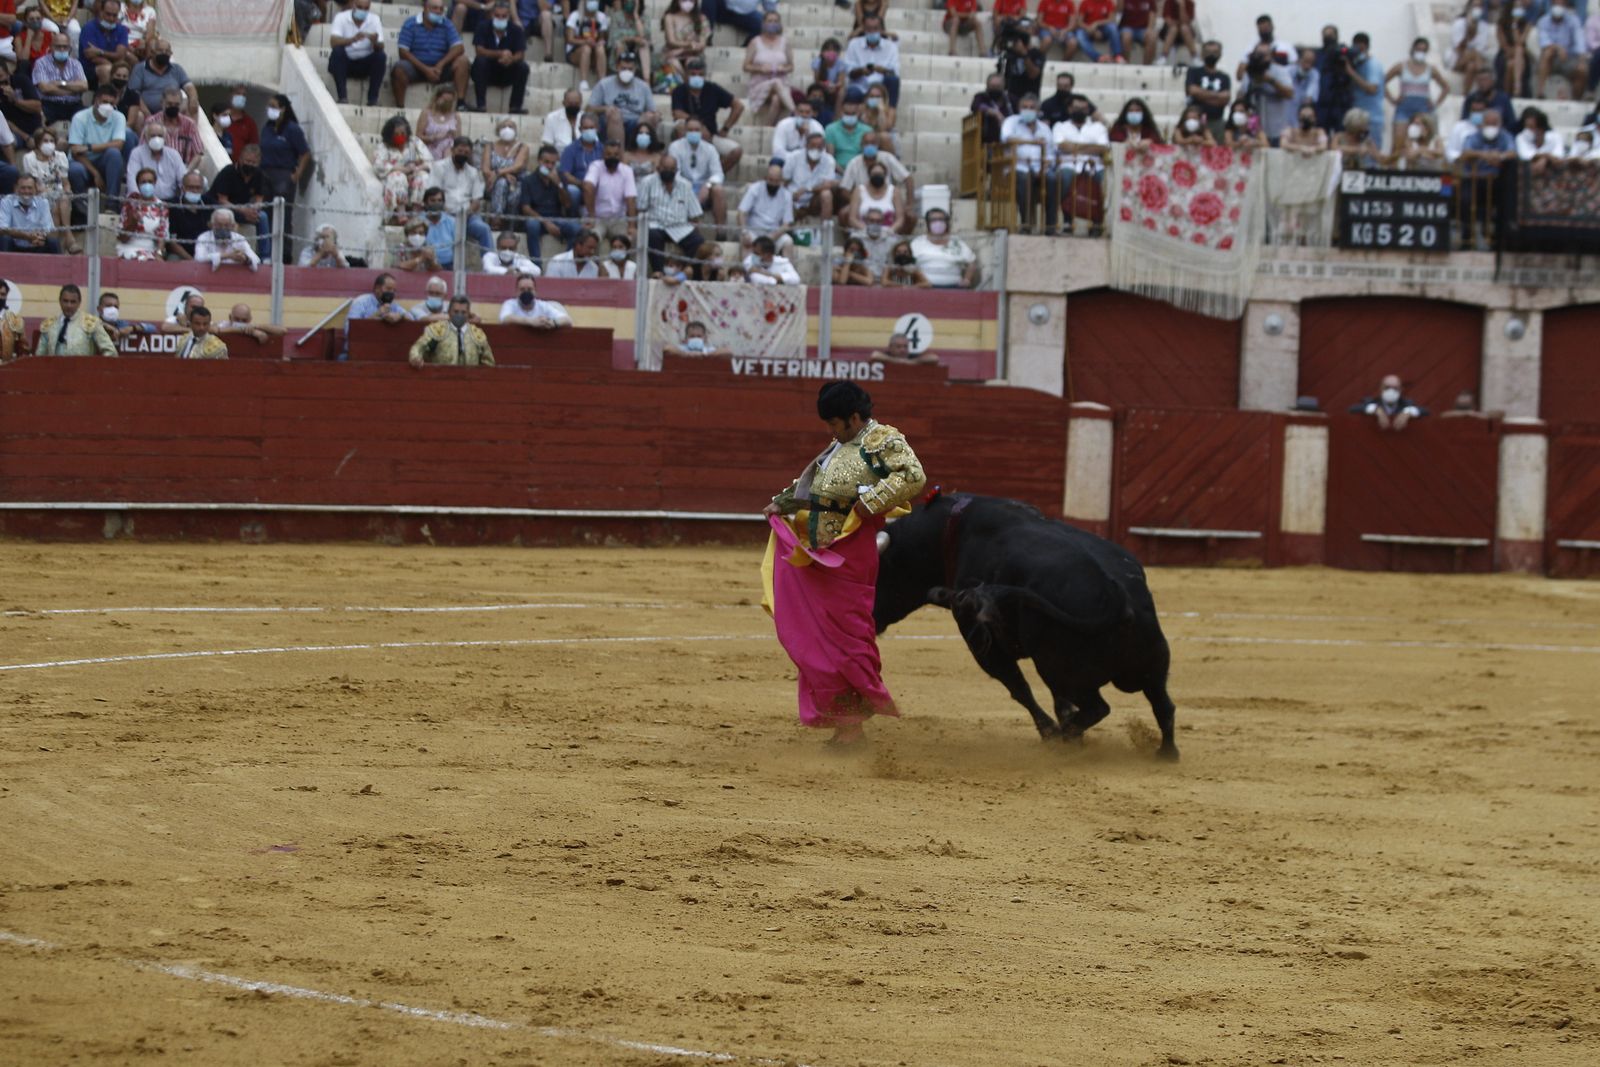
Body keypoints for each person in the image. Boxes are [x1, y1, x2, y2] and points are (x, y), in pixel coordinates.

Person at [761, 380, 926, 746]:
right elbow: (816, 490)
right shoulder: (840, 445)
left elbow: (913, 475)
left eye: (834, 423)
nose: (830, 430)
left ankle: (852, 724)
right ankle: (847, 725)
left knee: (847, 640)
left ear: (853, 417)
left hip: (851, 554)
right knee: (819, 639)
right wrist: (783, 503)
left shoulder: (881, 439)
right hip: (820, 553)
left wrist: (872, 502)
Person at [670, 56, 744, 174]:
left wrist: (725, 128)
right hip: (687, 134)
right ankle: (684, 173)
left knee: (736, 151)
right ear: (687, 75)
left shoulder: (712, 89)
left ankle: (714, 175)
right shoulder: (679, 90)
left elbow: (738, 106)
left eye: (700, 74)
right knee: (680, 126)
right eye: (693, 74)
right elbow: (677, 113)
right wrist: (699, 127)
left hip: (710, 135)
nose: (697, 77)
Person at [1000, 92, 1057, 235]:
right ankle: (1026, 223)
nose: (1028, 110)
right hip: (1017, 166)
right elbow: (1007, 138)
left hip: (1040, 167)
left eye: (1032, 108)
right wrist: (1032, 142)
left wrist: (1045, 166)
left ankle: (1050, 226)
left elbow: (1051, 153)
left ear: (1038, 111)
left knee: (1052, 179)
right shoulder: (1011, 122)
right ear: (1019, 108)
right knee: (1024, 178)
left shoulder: (1044, 128)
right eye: (1024, 107)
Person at [394, 0, 468, 109]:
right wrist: (426, 70)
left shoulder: (447, 24)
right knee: (400, 68)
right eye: (434, 8)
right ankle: (400, 108)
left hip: (440, 69)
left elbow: (459, 48)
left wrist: (440, 65)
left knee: (463, 61)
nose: (438, 11)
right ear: (425, 8)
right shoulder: (410, 23)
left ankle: (461, 104)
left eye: (441, 9)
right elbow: (403, 52)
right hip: (417, 67)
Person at [259, 95, 310, 253]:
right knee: (265, 213)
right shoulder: (267, 128)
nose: (270, 109)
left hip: (283, 174)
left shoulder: (292, 129)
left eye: (274, 106)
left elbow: (305, 153)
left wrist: (297, 174)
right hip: (265, 173)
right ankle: (266, 251)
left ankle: (284, 253)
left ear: (283, 108)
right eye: (269, 106)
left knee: (283, 216)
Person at [636, 156, 703, 274]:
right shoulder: (647, 182)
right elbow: (641, 208)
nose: (668, 172)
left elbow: (695, 213)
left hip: (679, 227)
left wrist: (697, 230)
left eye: (672, 169)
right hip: (656, 225)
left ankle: (685, 272)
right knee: (652, 236)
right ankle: (658, 272)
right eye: (665, 168)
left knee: (698, 241)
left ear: (676, 170)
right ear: (658, 168)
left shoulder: (685, 185)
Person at [520, 142, 580, 268]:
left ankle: (566, 265)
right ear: (539, 161)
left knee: (576, 228)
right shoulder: (528, 180)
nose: (549, 166)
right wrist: (546, 223)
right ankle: (536, 266)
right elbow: (526, 208)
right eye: (546, 162)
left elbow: (567, 204)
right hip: (538, 219)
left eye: (553, 163)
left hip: (556, 218)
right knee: (532, 225)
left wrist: (559, 185)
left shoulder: (560, 177)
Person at [211, 143, 273, 260]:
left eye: (253, 163)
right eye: (247, 161)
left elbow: (259, 199)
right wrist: (243, 211)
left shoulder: (259, 174)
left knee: (262, 216)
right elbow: (222, 200)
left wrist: (254, 210)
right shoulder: (228, 172)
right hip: (223, 209)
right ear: (240, 159)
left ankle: (265, 257)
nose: (250, 165)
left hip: (243, 210)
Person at [438, 134, 494, 255]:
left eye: (466, 152)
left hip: (468, 216)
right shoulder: (439, 167)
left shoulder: (474, 173)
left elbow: (476, 201)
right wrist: (449, 214)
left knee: (483, 229)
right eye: (460, 151)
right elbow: (433, 195)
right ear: (452, 150)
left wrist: (464, 215)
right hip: (444, 214)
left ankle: (490, 262)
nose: (463, 154)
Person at [472, 0, 530, 114]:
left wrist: (511, 59)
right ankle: (481, 105)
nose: (500, 18)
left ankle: (515, 107)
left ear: (509, 16)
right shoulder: (482, 27)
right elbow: (479, 51)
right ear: (492, 15)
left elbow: (520, 53)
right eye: (497, 15)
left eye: (504, 16)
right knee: (480, 62)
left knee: (523, 67)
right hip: (488, 71)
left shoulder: (516, 30)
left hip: (507, 70)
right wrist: (500, 53)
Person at [374, 115, 431, 225]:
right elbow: (378, 165)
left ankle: (415, 213)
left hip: (413, 175)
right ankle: (401, 213)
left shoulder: (414, 142)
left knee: (423, 177)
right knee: (398, 177)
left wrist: (416, 169)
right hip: (394, 178)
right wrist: (402, 169)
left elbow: (429, 160)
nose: (400, 136)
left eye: (403, 133)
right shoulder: (384, 146)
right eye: (396, 134)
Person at [22, 128, 73, 252]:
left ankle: (64, 240)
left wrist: (67, 191)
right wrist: (53, 194)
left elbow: (66, 184)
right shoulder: (29, 158)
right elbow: (36, 186)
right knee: (54, 208)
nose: (49, 144)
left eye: (51, 141)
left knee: (63, 198)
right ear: (38, 143)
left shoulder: (61, 156)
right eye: (45, 141)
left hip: (60, 196)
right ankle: (67, 241)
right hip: (40, 194)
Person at [1385, 37, 1449, 134]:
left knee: (1421, 138)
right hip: (1404, 107)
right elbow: (1382, 81)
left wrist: (1435, 104)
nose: (1420, 52)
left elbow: (1446, 87)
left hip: (1423, 108)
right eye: (1418, 49)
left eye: (1423, 50)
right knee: (1399, 138)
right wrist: (1392, 99)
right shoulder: (1401, 66)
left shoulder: (1431, 69)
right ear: (1413, 49)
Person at [329, 0, 388, 106]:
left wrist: (375, 42)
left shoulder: (374, 19)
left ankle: (372, 99)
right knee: (337, 52)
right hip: (345, 62)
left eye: (366, 8)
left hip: (364, 63)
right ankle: (342, 97)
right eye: (360, 7)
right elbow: (333, 42)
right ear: (353, 5)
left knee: (381, 56)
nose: (363, 11)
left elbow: (381, 46)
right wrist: (352, 39)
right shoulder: (341, 17)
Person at [410, 295, 495, 366]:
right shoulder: (437, 330)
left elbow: (489, 362)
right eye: (456, 312)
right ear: (449, 312)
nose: (459, 315)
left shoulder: (477, 334)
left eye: (463, 312)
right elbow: (417, 348)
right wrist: (415, 358)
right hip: (441, 378)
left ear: (468, 313)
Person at [37, 284, 117, 356]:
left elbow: (110, 351)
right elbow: (39, 355)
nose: (69, 305)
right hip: (54, 367)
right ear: (60, 301)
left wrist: (94, 367)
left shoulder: (91, 323)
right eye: (65, 301)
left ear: (79, 303)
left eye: (73, 302)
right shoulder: (50, 324)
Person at [582, 138, 638, 239]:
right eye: (608, 154)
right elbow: (587, 187)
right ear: (603, 155)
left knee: (625, 241)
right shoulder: (596, 166)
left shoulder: (627, 171)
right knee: (590, 239)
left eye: (616, 155)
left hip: (618, 220)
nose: (612, 157)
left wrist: (632, 226)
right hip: (598, 219)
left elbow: (631, 199)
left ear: (620, 156)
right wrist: (591, 217)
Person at [745, 11, 794, 124]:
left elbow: (791, 66)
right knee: (776, 82)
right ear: (764, 23)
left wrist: (783, 68)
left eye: (776, 21)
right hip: (759, 83)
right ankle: (795, 111)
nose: (773, 23)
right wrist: (760, 69)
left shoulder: (785, 43)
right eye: (770, 21)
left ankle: (768, 128)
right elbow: (746, 66)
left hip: (781, 83)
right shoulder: (755, 42)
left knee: (776, 99)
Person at [911, 208, 978, 289]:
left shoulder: (956, 242)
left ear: (946, 222)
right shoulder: (918, 242)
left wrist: (967, 280)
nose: (938, 222)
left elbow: (972, 262)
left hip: (953, 288)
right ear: (927, 223)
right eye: (934, 220)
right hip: (924, 288)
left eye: (941, 219)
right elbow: (907, 264)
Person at [843, 16, 900, 107]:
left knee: (893, 80)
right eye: (869, 29)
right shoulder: (854, 44)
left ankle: (891, 112)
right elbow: (849, 72)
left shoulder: (891, 46)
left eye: (875, 29)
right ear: (864, 29)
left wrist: (883, 70)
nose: (872, 32)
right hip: (860, 87)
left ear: (881, 30)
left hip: (881, 87)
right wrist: (861, 71)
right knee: (852, 93)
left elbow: (894, 73)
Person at [32, 31, 88, 124]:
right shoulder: (41, 63)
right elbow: (45, 89)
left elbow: (84, 86)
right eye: (58, 46)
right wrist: (73, 91)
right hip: (50, 105)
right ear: (51, 47)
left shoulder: (76, 64)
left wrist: (60, 83)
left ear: (70, 48)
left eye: (65, 46)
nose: (62, 49)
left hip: (74, 105)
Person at [739, 162, 794, 254]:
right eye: (771, 180)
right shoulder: (755, 189)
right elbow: (742, 212)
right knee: (745, 240)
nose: (773, 184)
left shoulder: (787, 195)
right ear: (765, 178)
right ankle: (747, 264)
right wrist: (744, 232)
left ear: (781, 181)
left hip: (774, 235)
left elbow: (786, 224)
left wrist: (771, 237)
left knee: (788, 242)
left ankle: (787, 264)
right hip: (754, 232)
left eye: (776, 181)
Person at [784, 130, 837, 222]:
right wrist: (789, 196)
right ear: (806, 145)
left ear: (823, 147)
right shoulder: (793, 157)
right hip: (793, 198)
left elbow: (828, 184)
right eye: (813, 146)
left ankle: (825, 226)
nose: (816, 149)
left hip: (813, 199)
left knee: (826, 194)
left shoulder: (829, 160)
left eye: (819, 146)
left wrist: (807, 189)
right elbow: (784, 181)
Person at [80, 0, 133, 90]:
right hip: (90, 70)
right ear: (101, 12)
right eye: (108, 14)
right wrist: (113, 68)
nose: (111, 19)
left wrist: (100, 52)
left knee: (129, 60)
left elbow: (120, 55)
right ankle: (106, 96)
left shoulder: (122, 29)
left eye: (114, 15)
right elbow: (92, 56)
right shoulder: (89, 28)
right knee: (107, 69)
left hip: (114, 65)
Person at [1535, 2, 1585, 97]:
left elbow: (1580, 41)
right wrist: (1558, 48)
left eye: (1561, 3)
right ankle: (1540, 92)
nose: (1558, 6)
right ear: (1551, 5)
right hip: (1551, 60)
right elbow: (1544, 42)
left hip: (1569, 59)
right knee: (1547, 53)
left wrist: (1582, 58)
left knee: (1582, 70)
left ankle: (1576, 99)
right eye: (1556, 3)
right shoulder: (1543, 21)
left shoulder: (1573, 20)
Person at [1346, 32, 1386, 151]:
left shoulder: (1373, 64)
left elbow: (1372, 89)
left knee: (1371, 154)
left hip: (1371, 118)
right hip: (1356, 118)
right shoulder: (1357, 64)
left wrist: (1351, 72)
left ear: (1364, 47)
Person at [116, 167, 167, 260]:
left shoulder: (161, 206)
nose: (147, 185)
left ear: (155, 183)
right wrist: (133, 223)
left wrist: (159, 254)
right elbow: (122, 238)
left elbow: (162, 235)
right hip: (129, 247)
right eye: (143, 182)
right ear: (138, 184)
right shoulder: (130, 204)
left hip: (150, 249)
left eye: (150, 182)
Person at [1185, 40, 1231, 140]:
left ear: (1220, 55)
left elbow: (1225, 98)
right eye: (1208, 52)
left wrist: (1201, 96)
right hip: (1196, 122)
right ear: (1202, 54)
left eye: (1214, 52)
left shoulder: (1224, 77)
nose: (1211, 55)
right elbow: (1192, 91)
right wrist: (1217, 96)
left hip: (1217, 121)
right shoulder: (1193, 72)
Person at [0, 173, 56, 253]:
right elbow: (3, 228)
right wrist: (27, 236)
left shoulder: (43, 202)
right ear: (16, 189)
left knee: (53, 242)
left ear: (35, 189)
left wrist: (40, 237)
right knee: (4, 239)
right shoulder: (7, 202)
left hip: (37, 245)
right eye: (23, 188)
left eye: (30, 188)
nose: (26, 191)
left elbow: (48, 229)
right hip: (14, 247)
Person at [660, 0, 711, 86]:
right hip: (672, 54)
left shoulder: (701, 19)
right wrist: (689, 45)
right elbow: (671, 41)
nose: (687, 2)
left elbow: (701, 44)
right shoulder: (670, 17)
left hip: (694, 54)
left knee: (692, 63)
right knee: (673, 63)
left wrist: (682, 50)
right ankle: (686, 86)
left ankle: (688, 86)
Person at [1349, 374, 1426, 430]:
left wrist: (1407, 412)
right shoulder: (1370, 401)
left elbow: (1425, 411)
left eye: (1395, 388)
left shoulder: (1407, 403)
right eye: (1387, 387)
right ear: (1381, 388)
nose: (1391, 391)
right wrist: (1377, 410)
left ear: (1400, 390)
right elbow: (1352, 409)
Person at [1448, 1, 1499, 85]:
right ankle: (1486, 81)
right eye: (1475, 6)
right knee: (1474, 55)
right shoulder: (1459, 23)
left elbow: (1480, 49)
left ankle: (1467, 91)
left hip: (1475, 60)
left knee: (1471, 66)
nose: (1477, 9)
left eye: (1480, 6)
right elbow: (1458, 49)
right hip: (1458, 59)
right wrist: (1468, 34)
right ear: (1469, 7)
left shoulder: (1484, 26)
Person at [606, 0, 652, 93]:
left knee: (644, 45)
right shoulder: (617, 16)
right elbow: (614, 38)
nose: (629, 3)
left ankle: (647, 81)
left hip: (638, 53)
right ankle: (620, 78)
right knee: (619, 45)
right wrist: (632, 39)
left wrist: (636, 15)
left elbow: (645, 35)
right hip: (620, 50)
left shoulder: (644, 17)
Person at [195, 209, 262, 271]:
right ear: (212, 225)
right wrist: (227, 256)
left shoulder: (239, 238)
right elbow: (198, 258)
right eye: (219, 225)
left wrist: (245, 258)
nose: (223, 228)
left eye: (227, 225)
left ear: (232, 226)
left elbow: (257, 260)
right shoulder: (204, 238)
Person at [565, 0, 608, 94]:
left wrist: (600, 42)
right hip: (576, 51)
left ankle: (602, 83)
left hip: (594, 51)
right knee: (586, 48)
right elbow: (569, 39)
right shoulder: (575, 15)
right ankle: (583, 82)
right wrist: (585, 41)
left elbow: (602, 37)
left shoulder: (601, 17)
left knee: (601, 49)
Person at [499, 272, 572, 326]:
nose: (526, 292)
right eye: (522, 289)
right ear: (516, 291)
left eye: (529, 289)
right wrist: (531, 321)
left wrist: (552, 323)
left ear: (535, 291)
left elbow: (567, 320)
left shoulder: (543, 306)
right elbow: (505, 319)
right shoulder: (510, 304)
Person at [214, 85, 260, 165]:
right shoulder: (222, 119)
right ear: (230, 95)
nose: (241, 97)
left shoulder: (249, 123)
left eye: (244, 95)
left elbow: (254, 149)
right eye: (238, 93)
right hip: (219, 162)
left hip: (239, 167)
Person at [771, 97, 823, 164]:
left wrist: (808, 135)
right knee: (775, 164)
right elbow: (778, 151)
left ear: (812, 113)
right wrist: (796, 159)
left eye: (807, 112)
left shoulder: (817, 127)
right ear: (795, 112)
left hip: (808, 162)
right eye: (801, 112)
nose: (804, 115)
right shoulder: (783, 125)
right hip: (785, 160)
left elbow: (819, 153)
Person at [970, 72, 1014, 144]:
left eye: (998, 86)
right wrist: (995, 113)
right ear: (987, 86)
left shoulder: (1010, 99)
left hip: (1008, 140)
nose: (995, 89)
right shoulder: (981, 97)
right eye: (993, 86)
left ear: (1003, 86)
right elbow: (975, 106)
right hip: (986, 140)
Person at [542, 88, 583, 153]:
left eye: (576, 103)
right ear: (563, 103)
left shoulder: (585, 117)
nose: (573, 106)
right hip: (559, 156)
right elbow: (547, 144)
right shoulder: (552, 118)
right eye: (570, 103)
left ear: (581, 103)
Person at [1119, 0, 1159, 64]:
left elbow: (1152, 13)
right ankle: (1125, 65)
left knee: (1152, 37)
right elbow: (1118, 10)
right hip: (1127, 27)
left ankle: (1146, 66)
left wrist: (1149, 28)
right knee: (1126, 37)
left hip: (1143, 29)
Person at [663, 320, 728, 357]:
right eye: (692, 336)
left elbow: (728, 351)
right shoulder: (682, 349)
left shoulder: (708, 350)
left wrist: (705, 355)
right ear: (686, 339)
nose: (695, 338)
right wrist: (685, 354)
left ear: (705, 339)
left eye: (699, 336)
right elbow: (667, 348)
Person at [0, 278, 28, 362]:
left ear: (6, 296)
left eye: (2, 294)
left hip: (6, 367)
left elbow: (23, 351)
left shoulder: (15, 321)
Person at [870, 331, 938, 365]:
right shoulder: (886, 355)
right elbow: (874, 355)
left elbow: (934, 358)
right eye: (898, 347)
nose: (902, 350)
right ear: (890, 347)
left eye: (905, 346)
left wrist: (911, 362)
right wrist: (897, 361)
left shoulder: (912, 356)